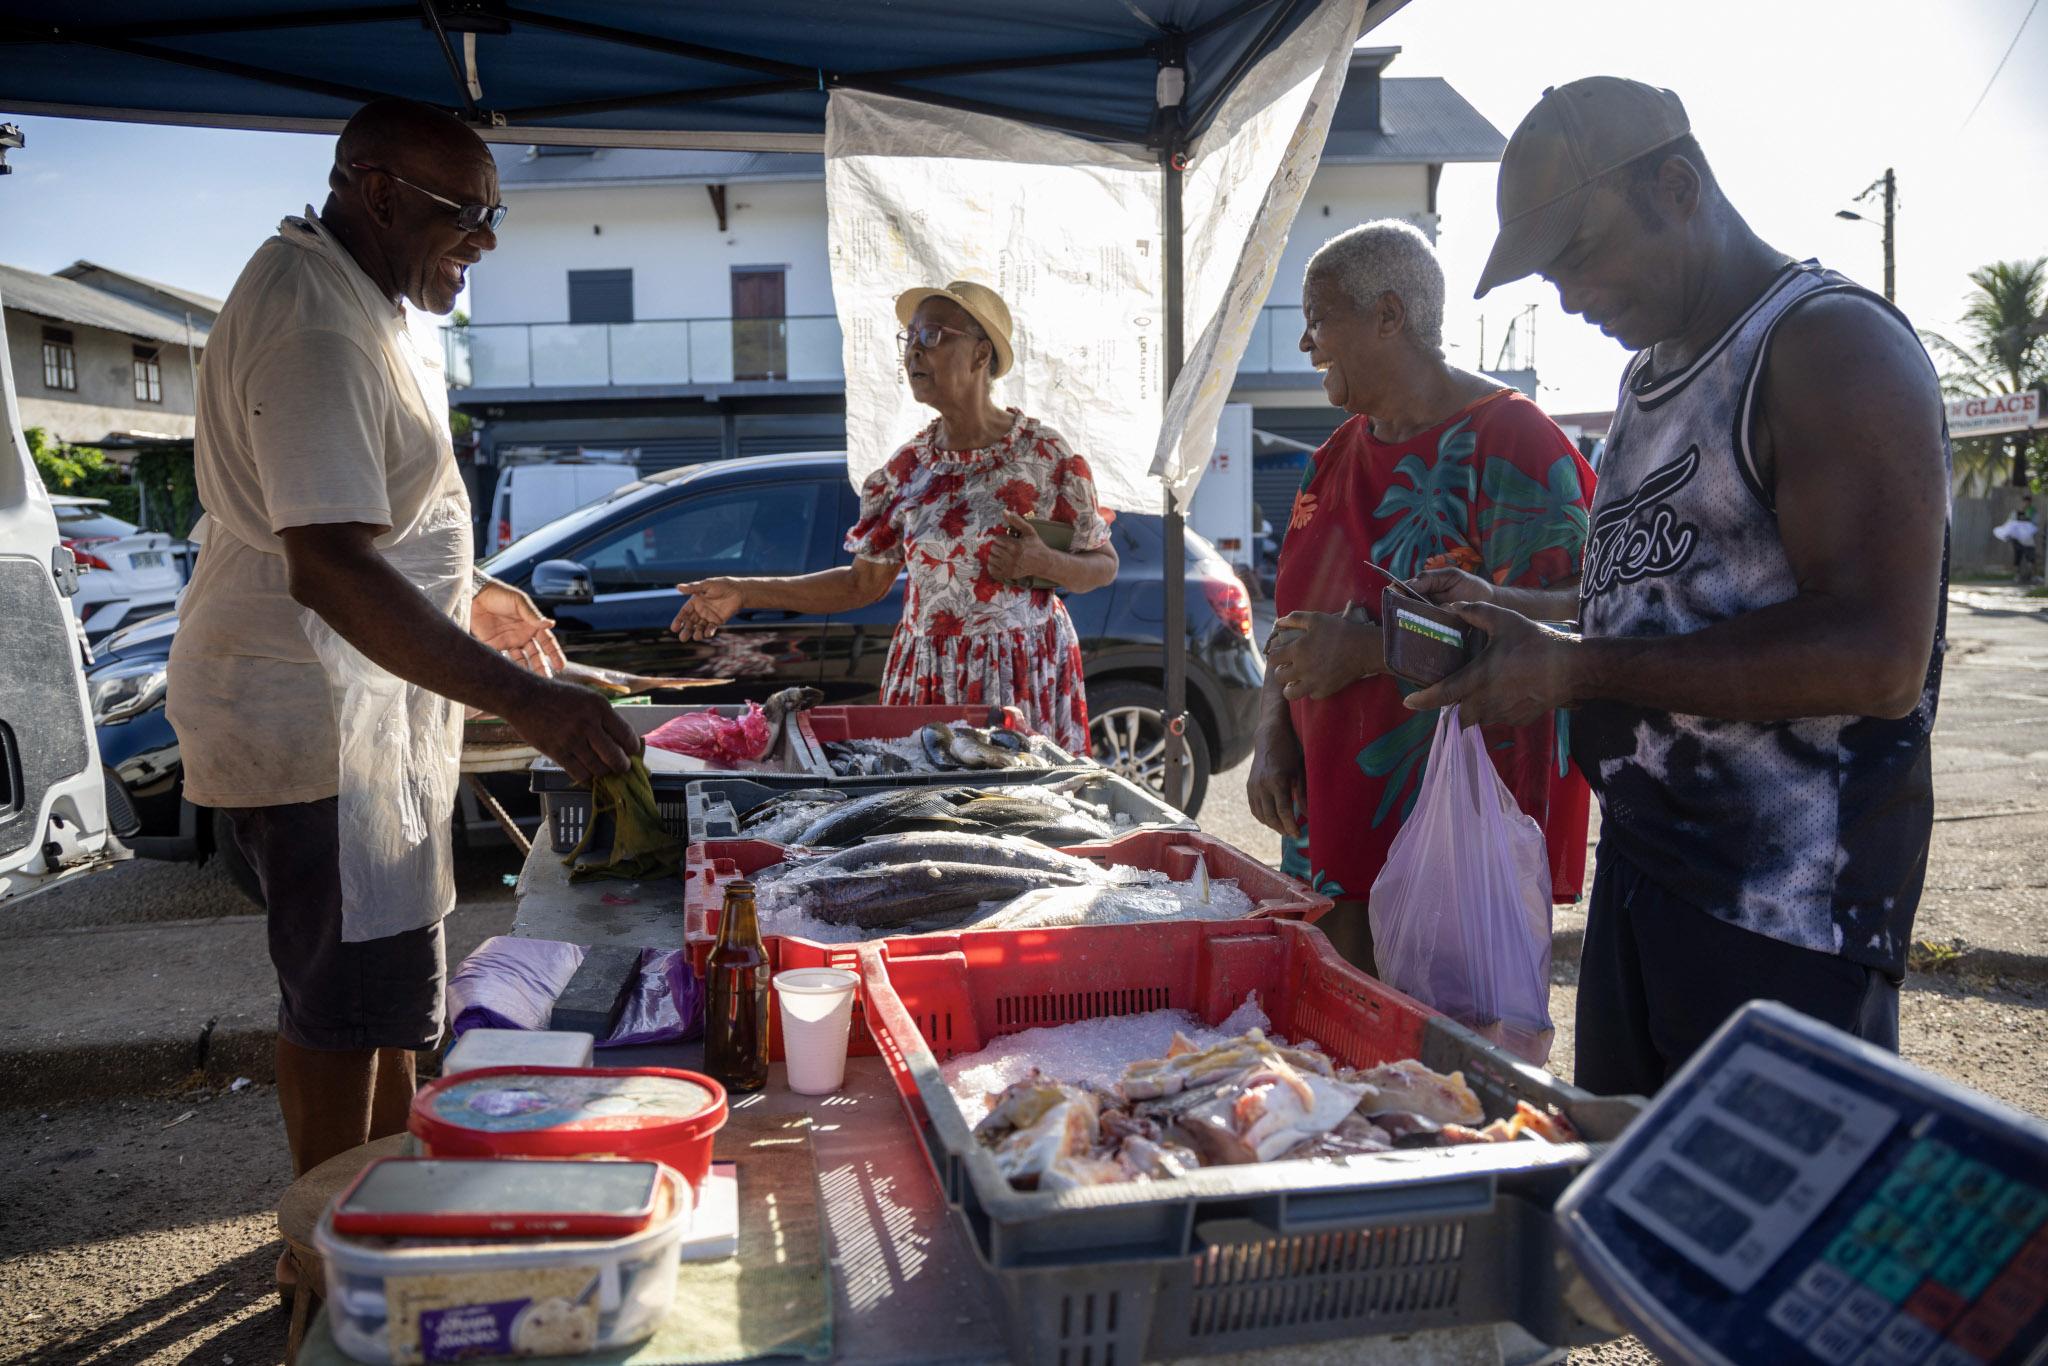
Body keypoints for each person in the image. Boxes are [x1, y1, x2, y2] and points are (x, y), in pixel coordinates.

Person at [166, 100, 638, 1269]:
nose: (483, 240)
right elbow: (327, 564)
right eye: (463, 215)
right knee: (341, 1008)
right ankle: (326, 1264)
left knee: (388, 997)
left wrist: (468, 591)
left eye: (493, 214)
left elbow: (361, 518)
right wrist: (528, 700)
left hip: (371, 718)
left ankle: (381, 1225)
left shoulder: (367, 298)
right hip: (309, 722)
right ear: (374, 191)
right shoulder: (312, 318)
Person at [1409, 78, 1950, 1095]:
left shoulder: (1824, 346)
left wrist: (1578, 670)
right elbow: (1662, 601)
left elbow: (1876, 655)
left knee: (1761, 1243)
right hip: (1648, 876)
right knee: (1633, 1222)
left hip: (1784, 919)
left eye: (1576, 252)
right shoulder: (1651, 372)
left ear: (1675, 186)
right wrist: (1512, 616)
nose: (1567, 296)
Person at [1244, 220, 1596, 973]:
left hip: (1450, 834)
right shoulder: (1337, 453)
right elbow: (1293, 620)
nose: (1306, 344)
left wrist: (1370, 653)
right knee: (1339, 1052)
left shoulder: (1513, 441)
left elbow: (1574, 627)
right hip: (1329, 826)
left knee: (1443, 1065)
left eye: (1318, 318)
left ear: (1389, 315)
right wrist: (1273, 731)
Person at [671, 281, 1117, 754]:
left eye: (931, 336)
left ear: (981, 353)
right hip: (929, 673)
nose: (913, 355)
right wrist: (744, 590)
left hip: (1020, 672)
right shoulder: (906, 470)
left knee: (1021, 818)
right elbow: (860, 585)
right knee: (929, 815)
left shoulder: (1044, 454)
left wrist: (1044, 562)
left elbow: (1102, 564)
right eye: (909, 340)